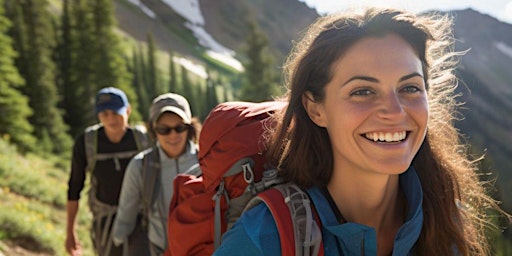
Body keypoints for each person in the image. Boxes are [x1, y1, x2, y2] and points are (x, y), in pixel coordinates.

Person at [214, 7, 507, 256]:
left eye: (410, 88)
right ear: (316, 109)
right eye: (363, 91)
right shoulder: (264, 236)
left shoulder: (445, 217)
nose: (394, 111)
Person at [112, 93, 201, 256]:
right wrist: (117, 241)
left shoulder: (206, 161)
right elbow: (127, 212)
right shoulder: (140, 165)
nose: (173, 135)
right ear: (153, 130)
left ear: (189, 127)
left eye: (179, 127)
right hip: (158, 249)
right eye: (164, 129)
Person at [66, 87, 150, 256]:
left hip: (141, 218)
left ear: (128, 110)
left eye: (116, 112)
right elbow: (74, 188)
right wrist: (70, 232)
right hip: (105, 221)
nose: (111, 118)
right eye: (105, 114)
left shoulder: (143, 139)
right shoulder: (86, 143)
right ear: (98, 115)